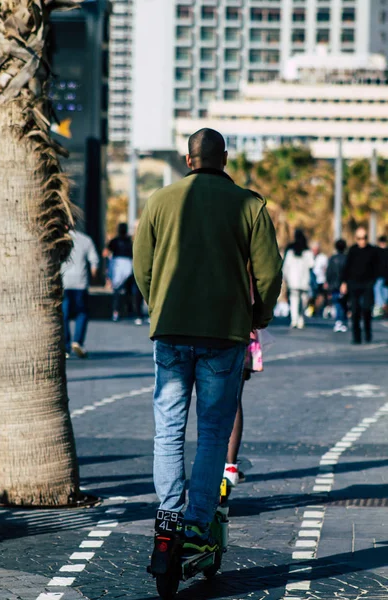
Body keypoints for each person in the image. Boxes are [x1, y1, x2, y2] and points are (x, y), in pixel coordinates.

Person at [133, 128, 282, 554]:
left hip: (172, 330)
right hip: (224, 332)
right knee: (214, 432)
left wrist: (159, 305)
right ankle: (198, 525)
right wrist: (258, 316)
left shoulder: (159, 201)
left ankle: (168, 515)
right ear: (226, 158)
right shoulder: (250, 205)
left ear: (187, 160)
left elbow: (143, 267)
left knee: (168, 429)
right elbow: (269, 274)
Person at [62, 229, 99, 358]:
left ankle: (65, 346)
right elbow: (94, 260)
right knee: (81, 312)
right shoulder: (85, 239)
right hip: (80, 282)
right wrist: (94, 275)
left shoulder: (60, 238)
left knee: (63, 314)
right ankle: (77, 341)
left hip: (63, 281)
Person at [341, 227, 380, 344]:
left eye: (364, 238)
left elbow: (378, 267)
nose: (362, 241)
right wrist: (344, 283)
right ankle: (356, 336)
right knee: (355, 311)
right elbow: (346, 267)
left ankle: (368, 333)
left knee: (366, 309)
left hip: (367, 284)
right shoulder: (352, 250)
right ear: (355, 239)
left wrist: (374, 280)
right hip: (354, 284)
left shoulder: (372, 251)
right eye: (359, 238)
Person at [283, 229, 314, 329]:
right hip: (304, 280)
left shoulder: (290, 251)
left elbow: (286, 266)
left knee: (294, 300)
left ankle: (294, 320)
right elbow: (311, 265)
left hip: (293, 281)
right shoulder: (308, 252)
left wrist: (285, 278)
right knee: (303, 301)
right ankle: (300, 319)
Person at [106, 223, 133, 322]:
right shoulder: (129, 241)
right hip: (128, 265)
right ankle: (129, 311)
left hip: (117, 265)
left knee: (116, 291)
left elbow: (107, 252)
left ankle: (116, 312)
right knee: (128, 290)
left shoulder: (114, 241)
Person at [326, 239, 348, 333]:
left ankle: (339, 321)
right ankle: (342, 321)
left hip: (334, 285)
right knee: (343, 303)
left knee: (337, 303)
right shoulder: (347, 258)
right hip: (344, 285)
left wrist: (328, 283)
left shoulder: (332, 259)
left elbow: (329, 272)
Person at [310, 241, 328, 316]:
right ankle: (312, 310)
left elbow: (325, 269)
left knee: (320, 297)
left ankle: (319, 310)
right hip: (311, 281)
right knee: (312, 296)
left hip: (320, 280)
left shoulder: (323, 258)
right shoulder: (309, 256)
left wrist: (326, 281)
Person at [374, 235, 388, 317]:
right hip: (383, 275)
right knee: (384, 291)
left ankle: (381, 305)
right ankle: (383, 305)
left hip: (379, 274)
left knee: (378, 289)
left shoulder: (376, 251)